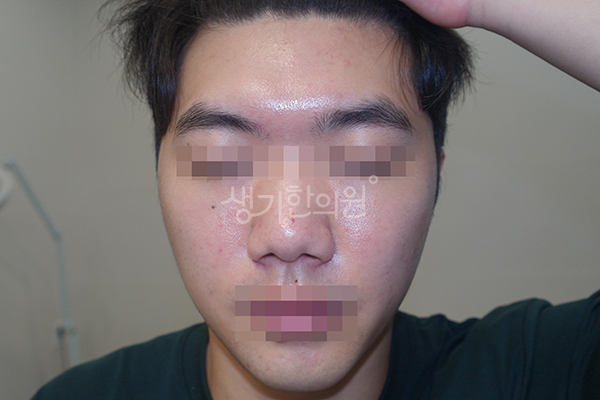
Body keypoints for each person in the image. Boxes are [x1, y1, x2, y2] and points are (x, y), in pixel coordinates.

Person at [32, 0, 600, 399]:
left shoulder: (545, 372)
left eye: (363, 159)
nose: (289, 234)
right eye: (222, 160)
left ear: (436, 180)